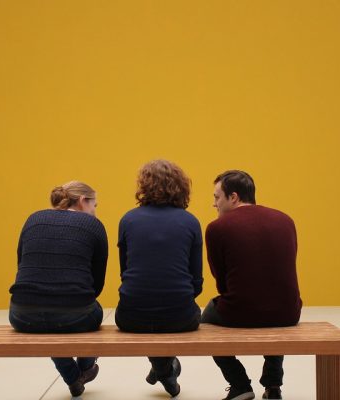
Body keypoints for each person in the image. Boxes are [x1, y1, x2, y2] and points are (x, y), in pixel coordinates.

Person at [202, 170, 303, 400]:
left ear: (233, 197)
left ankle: (239, 384)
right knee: (274, 309)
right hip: (288, 312)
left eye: (217, 197)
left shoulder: (217, 228)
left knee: (205, 320)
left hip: (240, 312)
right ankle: (273, 385)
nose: (214, 204)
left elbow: (221, 282)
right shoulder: (285, 220)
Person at [8, 181, 108, 397]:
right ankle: (85, 368)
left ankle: (72, 377)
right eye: (94, 205)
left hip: (21, 315)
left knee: (51, 323)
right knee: (89, 311)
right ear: (82, 201)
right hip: (76, 315)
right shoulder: (93, 225)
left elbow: (21, 265)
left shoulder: (33, 219)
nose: (95, 211)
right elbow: (96, 284)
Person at [115, 160, 204, 398]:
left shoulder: (128, 219)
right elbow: (196, 281)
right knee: (169, 314)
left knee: (150, 313)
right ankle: (164, 370)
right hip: (181, 317)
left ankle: (163, 369)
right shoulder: (190, 221)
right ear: (181, 186)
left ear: (144, 185)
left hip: (131, 317)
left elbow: (125, 272)